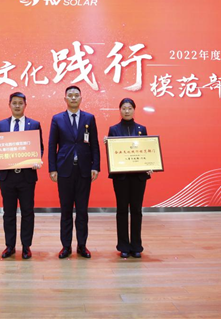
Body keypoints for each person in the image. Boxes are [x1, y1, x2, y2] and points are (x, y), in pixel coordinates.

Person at [0, 92, 43, 260]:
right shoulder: (1, 124)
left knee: (27, 212)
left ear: (25, 105)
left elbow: (39, 147)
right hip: (7, 177)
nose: (17, 106)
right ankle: (9, 246)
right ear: (9, 105)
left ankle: (26, 246)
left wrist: (37, 160)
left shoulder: (34, 124)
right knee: (8, 213)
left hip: (27, 177)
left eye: (20, 103)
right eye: (14, 103)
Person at [48, 85, 100, 259]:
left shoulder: (89, 118)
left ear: (81, 98)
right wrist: (52, 168)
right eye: (70, 95)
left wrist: (95, 166)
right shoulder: (57, 119)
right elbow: (52, 145)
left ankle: (82, 246)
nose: (73, 98)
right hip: (64, 170)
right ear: (65, 99)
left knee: (82, 211)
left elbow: (94, 144)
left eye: (76, 95)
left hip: (84, 170)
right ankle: (66, 246)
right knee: (66, 211)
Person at [107, 98, 151, 258]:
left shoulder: (141, 129)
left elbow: (147, 150)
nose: (126, 111)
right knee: (122, 210)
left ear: (134, 110)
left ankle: (136, 246)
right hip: (121, 177)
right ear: (120, 110)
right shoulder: (114, 129)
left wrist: (150, 164)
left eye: (129, 108)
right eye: (124, 108)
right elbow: (112, 153)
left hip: (139, 177)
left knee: (137, 210)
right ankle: (123, 246)